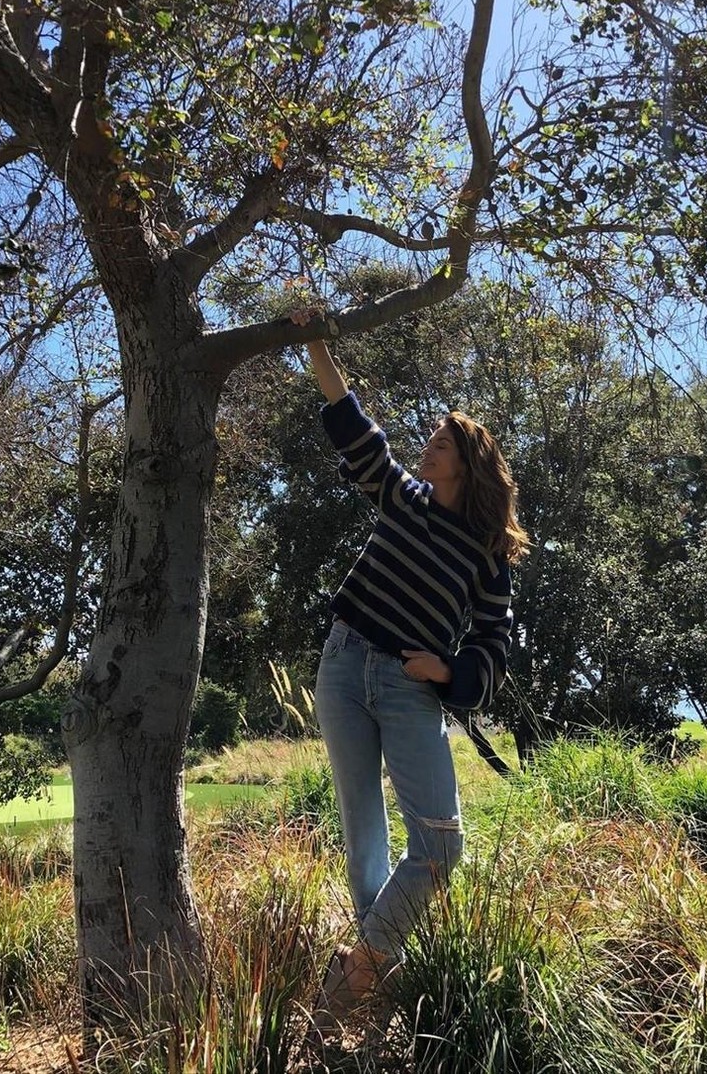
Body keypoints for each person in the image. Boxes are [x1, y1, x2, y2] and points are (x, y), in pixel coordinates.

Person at [290, 309, 529, 1039]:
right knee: (362, 833)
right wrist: (314, 344)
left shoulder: (488, 549)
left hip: (408, 686)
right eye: (428, 439)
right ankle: (368, 994)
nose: (426, 447)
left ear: (468, 460)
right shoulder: (403, 496)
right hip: (341, 664)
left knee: (439, 843)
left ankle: (359, 967)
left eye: (441, 441)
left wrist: (450, 670)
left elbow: (494, 639)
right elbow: (353, 426)